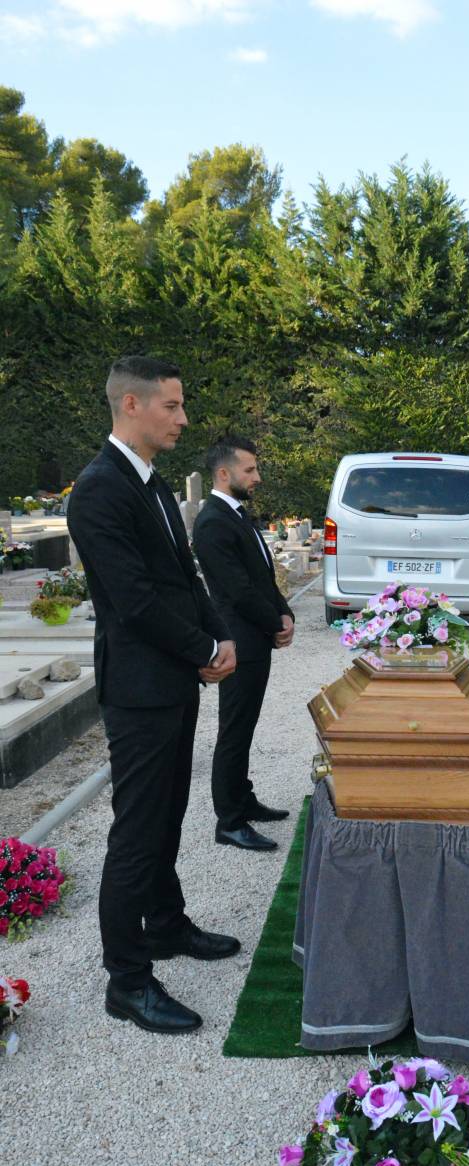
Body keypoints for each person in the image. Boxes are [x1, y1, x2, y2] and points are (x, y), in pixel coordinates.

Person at [67, 355, 239, 1035]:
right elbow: (133, 602)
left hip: (173, 679)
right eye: (172, 405)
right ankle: (128, 981)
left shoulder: (152, 481)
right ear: (131, 405)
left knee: (167, 816)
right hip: (140, 689)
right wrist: (202, 650)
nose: (183, 418)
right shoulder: (98, 490)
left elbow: (183, 576)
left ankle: (165, 924)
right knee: (136, 834)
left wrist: (219, 635)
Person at [192, 435, 295, 851]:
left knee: (245, 725)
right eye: (249, 470)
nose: (257, 477)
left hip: (256, 637)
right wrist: (274, 624)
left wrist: (285, 612)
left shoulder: (236, 514)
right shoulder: (212, 522)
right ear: (224, 473)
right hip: (239, 640)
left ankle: (243, 798)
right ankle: (229, 821)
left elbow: (262, 576)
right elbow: (237, 591)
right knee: (234, 730)